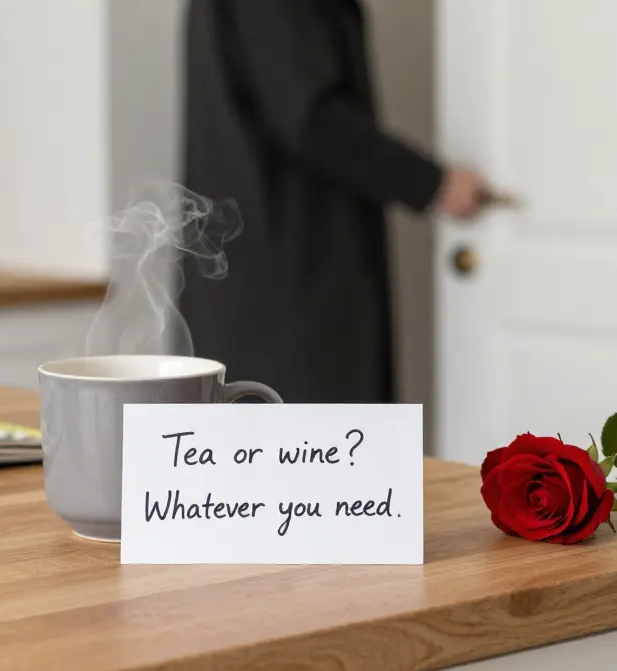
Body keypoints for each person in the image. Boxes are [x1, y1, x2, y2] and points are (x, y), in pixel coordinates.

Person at [180, 0, 490, 403]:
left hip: (259, 270)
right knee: (312, 444)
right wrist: (432, 183)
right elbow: (310, 117)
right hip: (291, 274)